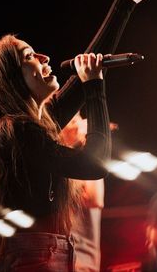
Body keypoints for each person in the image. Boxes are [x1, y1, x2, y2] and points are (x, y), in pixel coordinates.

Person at [0, 0, 157, 272]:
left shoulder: (29, 126)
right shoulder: (15, 130)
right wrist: (95, 87)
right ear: (10, 81)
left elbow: (86, 67)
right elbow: (95, 165)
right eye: (29, 57)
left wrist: (125, 3)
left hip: (44, 257)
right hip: (34, 261)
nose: (44, 58)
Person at [61, 111, 118, 272]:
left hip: (82, 261)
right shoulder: (59, 161)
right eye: (71, 119)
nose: (76, 123)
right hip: (67, 260)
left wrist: (91, 144)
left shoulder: (79, 161)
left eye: (76, 118)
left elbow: (94, 199)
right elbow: (94, 199)